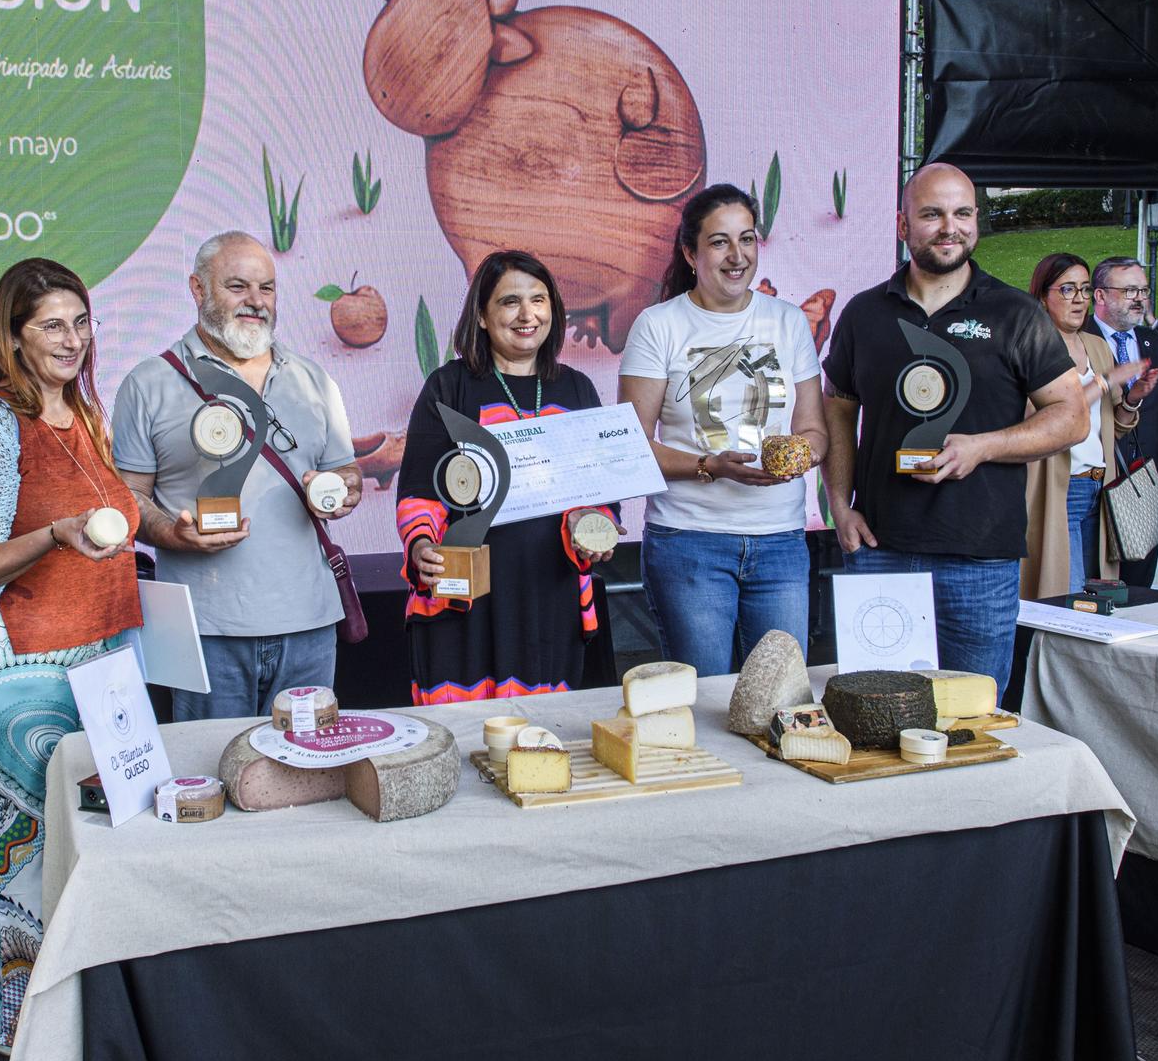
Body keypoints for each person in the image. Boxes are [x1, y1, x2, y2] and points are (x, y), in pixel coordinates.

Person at [0, 259, 141, 1054]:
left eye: (81, 323)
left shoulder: (80, 412)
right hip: (20, 678)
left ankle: (83, 1028)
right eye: (52, 325)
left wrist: (171, 524)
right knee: (26, 873)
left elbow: (116, 511)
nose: (72, 340)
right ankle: (26, 1041)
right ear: (12, 336)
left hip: (100, 666)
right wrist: (53, 535)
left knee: (90, 856)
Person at [822, 164, 1087, 690]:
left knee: (973, 720)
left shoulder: (1016, 313)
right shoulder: (864, 312)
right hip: (881, 549)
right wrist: (838, 504)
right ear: (903, 225)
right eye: (932, 214)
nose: (951, 226)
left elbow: (1071, 417)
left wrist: (984, 448)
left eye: (963, 213)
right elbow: (838, 408)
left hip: (980, 556)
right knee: (877, 714)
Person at [113, 231, 361, 720]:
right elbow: (128, 497)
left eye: (266, 288)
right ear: (198, 289)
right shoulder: (149, 383)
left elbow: (343, 471)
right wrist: (171, 533)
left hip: (309, 625)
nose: (255, 301)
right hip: (207, 631)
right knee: (212, 776)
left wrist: (341, 490)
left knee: (305, 776)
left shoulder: (313, 379)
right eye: (237, 286)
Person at [618, 184, 828, 674]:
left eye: (747, 239)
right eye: (719, 242)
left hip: (779, 541)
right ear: (691, 253)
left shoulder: (788, 321)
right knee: (705, 697)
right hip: (689, 541)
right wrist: (708, 466)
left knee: (781, 695)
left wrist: (799, 455)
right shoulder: (658, 326)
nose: (737, 256)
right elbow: (630, 447)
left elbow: (815, 430)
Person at [397, 250, 619, 704]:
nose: (527, 315)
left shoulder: (577, 388)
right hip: (466, 598)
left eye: (539, 300)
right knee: (463, 740)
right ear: (482, 315)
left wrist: (593, 526)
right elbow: (419, 490)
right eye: (509, 302)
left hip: (549, 595)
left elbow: (601, 488)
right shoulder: (449, 387)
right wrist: (421, 546)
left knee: (541, 736)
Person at [1021, 254, 1152, 598]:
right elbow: (1044, 420)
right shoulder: (1030, 347)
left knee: (1097, 594)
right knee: (1067, 594)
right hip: (1061, 487)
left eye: (1084, 288)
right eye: (1067, 289)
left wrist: (1133, 398)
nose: (1079, 298)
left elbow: (1112, 430)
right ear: (1041, 296)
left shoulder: (1096, 346)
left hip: (1101, 486)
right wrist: (1105, 382)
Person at [1089, 255, 1158, 587]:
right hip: (1092, 487)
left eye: (1143, 290)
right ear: (1100, 295)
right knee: (1089, 587)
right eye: (1129, 290)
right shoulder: (1077, 339)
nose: (1139, 298)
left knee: (1138, 592)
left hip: (1146, 488)